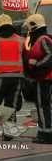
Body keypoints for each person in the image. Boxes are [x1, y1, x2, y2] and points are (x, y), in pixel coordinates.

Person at [0, 14, 25, 141]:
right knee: (11, 105)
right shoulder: (21, 40)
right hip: (17, 77)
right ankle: (9, 133)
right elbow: (25, 59)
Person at [23, 14, 52, 144]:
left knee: (43, 106)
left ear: (34, 26)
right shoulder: (40, 39)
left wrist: (37, 67)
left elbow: (50, 55)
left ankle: (46, 134)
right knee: (42, 106)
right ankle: (43, 132)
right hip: (41, 78)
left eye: (29, 28)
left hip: (45, 78)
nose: (28, 31)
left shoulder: (43, 39)